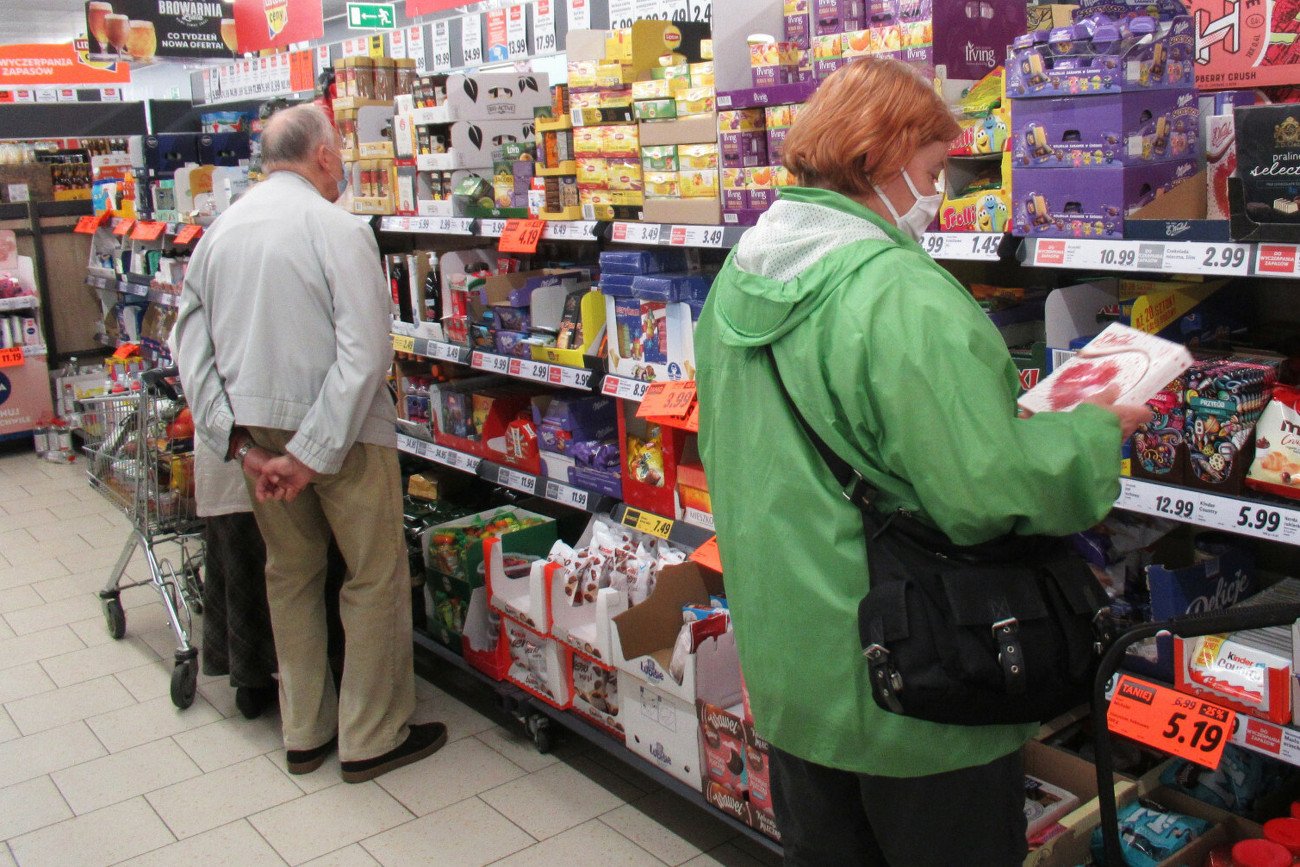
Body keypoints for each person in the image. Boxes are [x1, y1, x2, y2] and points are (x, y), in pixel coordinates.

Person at [694, 57, 1149, 866]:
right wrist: (1092, 431)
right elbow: (986, 487)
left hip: (795, 671)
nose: (940, 191)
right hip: (912, 677)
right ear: (880, 157)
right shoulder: (898, 292)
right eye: (937, 168)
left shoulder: (742, 275)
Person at [175, 103, 446, 784]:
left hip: (260, 436)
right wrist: (314, 452)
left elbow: (191, 349)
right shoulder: (338, 229)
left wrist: (241, 443)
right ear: (323, 155)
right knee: (373, 575)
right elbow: (365, 356)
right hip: (344, 434)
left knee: (289, 575)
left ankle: (305, 730)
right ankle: (372, 733)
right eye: (342, 153)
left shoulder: (218, 235)